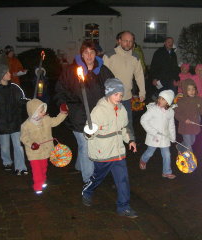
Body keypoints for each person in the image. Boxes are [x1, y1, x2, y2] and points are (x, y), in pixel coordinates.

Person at [54, 40, 114, 183]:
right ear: (81, 54)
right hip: (78, 114)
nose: (89, 55)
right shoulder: (71, 71)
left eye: (92, 52)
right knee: (87, 146)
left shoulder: (103, 71)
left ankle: (80, 166)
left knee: (87, 145)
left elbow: (113, 87)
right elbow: (60, 90)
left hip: (98, 115)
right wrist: (62, 104)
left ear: (96, 54)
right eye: (86, 52)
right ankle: (88, 180)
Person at [82, 78, 138, 218]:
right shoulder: (99, 111)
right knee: (98, 177)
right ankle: (87, 191)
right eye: (116, 94)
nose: (119, 98)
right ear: (108, 94)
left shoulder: (122, 109)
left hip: (118, 151)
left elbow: (124, 127)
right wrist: (90, 132)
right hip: (103, 152)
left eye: (120, 95)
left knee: (123, 179)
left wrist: (130, 140)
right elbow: (89, 133)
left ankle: (123, 206)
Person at [0, 64, 28, 174]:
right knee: (4, 145)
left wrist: (31, 102)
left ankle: (21, 167)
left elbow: (22, 99)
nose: (10, 74)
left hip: (15, 122)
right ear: (0, 75)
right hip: (1, 123)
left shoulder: (15, 87)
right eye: (7, 72)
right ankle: (7, 162)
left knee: (18, 146)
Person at [103, 31, 146, 140]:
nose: (128, 43)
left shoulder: (135, 57)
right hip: (111, 99)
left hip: (127, 97)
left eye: (131, 41)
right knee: (111, 125)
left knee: (128, 124)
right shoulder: (109, 55)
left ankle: (130, 146)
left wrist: (142, 92)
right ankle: (112, 149)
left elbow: (139, 75)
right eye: (126, 41)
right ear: (119, 41)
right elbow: (103, 77)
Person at [20, 98, 68, 194]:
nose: (43, 113)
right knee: (37, 170)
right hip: (34, 152)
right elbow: (23, 137)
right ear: (33, 112)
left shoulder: (46, 119)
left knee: (44, 166)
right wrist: (31, 144)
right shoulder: (26, 125)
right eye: (41, 111)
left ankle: (42, 181)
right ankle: (37, 186)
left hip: (46, 150)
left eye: (43, 110)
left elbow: (55, 121)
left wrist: (63, 113)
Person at [139, 90, 176, 179]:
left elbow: (171, 125)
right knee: (150, 152)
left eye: (163, 99)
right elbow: (143, 120)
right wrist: (153, 132)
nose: (160, 100)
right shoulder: (153, 109)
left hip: (165, 137)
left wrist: (172, 137)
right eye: (159, 98)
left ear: (168, 102)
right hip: (154, 136)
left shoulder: (170, 112)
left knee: (167, 154)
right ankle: (143, 160)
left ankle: (166, 172)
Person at [175, 79, 202, 153]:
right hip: (185, 126)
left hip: (194, 126)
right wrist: (184, 119)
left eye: (193, 89)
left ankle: (180, 146)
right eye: (189, 89)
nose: (192, 91)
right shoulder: (181, 101)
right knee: (189, 146)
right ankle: (190, 161)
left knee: (192, 141)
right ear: (185, 90)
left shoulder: (198, 100)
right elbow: (176, 113)